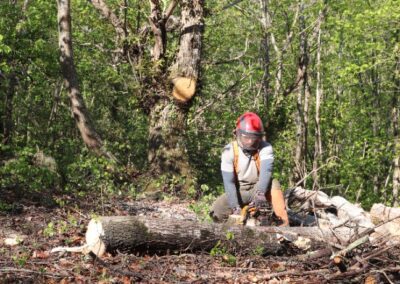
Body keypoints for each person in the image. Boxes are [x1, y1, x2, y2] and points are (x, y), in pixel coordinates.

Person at [210, 112, 289, 226]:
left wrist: (260, 193)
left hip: (258, 188)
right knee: (217, 211)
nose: (251, 142)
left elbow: (266, 172)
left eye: (254, 138)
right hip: (239, 191)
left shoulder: (266, 148)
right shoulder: (228, 151)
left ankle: (284, 226)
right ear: (237, 134)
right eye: (247, 138)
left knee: (274, 184)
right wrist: (235, 207)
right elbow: (229, 183)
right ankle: (240, 223)